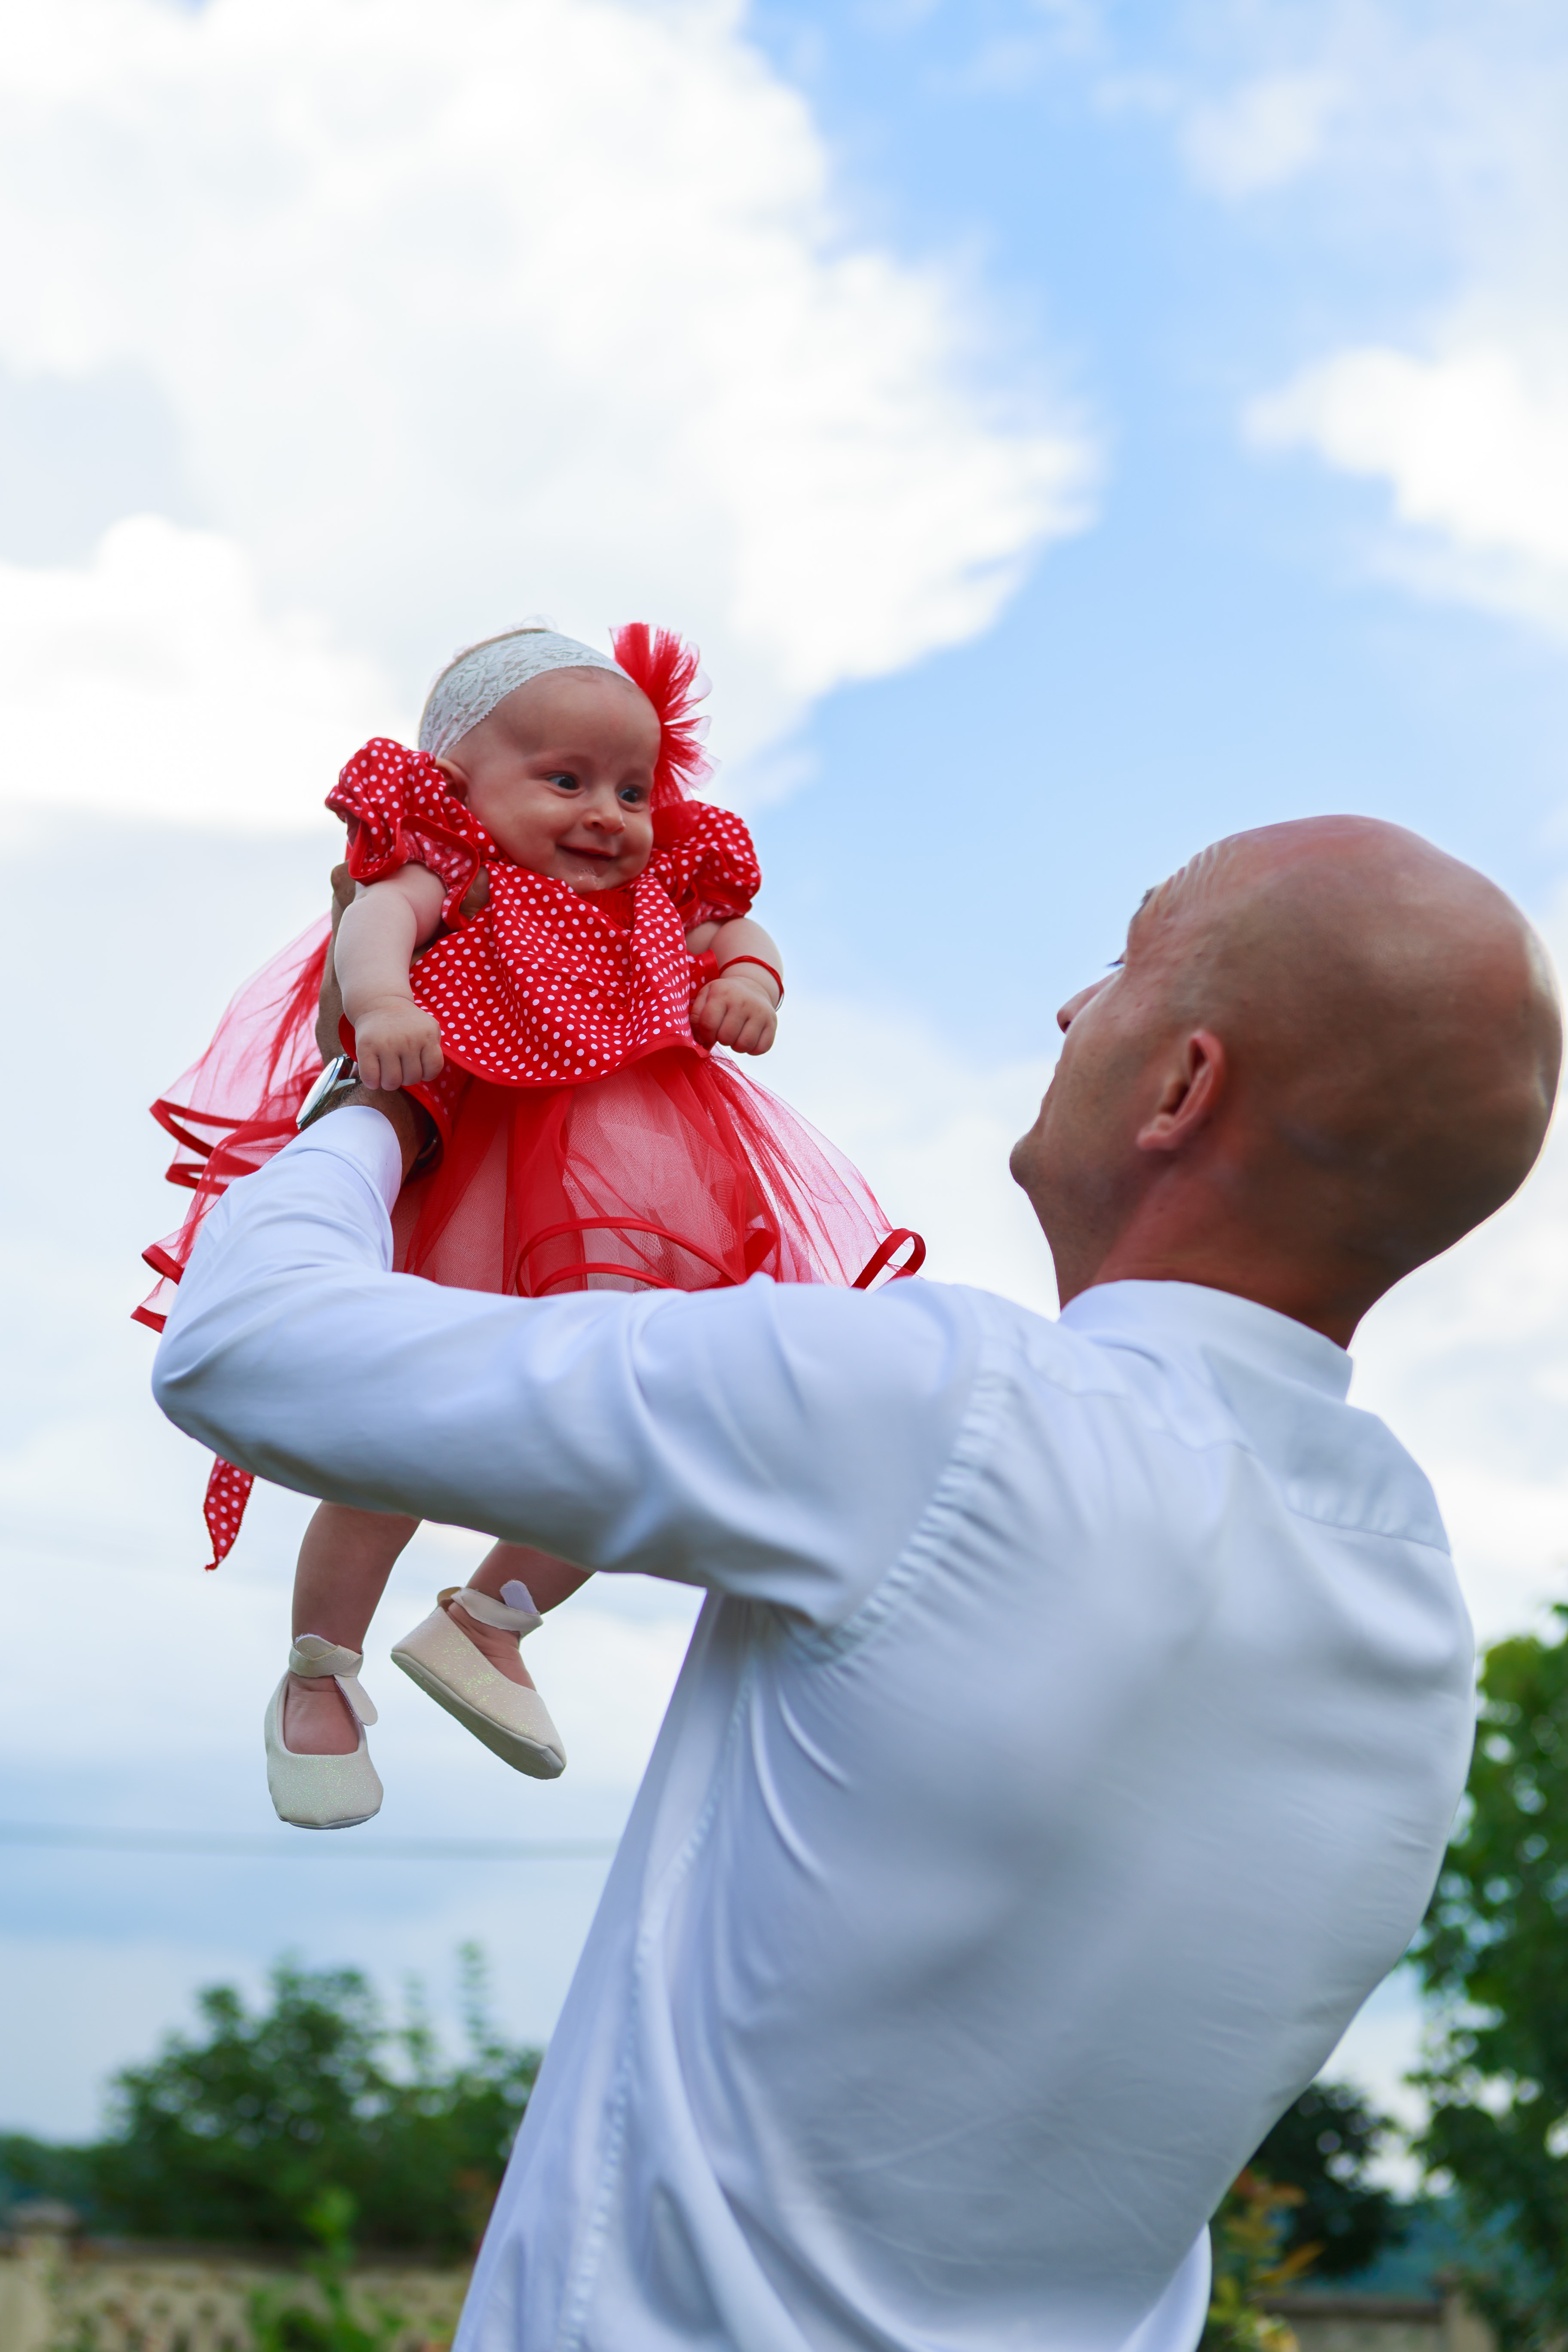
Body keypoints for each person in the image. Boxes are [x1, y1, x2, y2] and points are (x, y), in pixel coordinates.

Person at [152, 815, 1561, 2352]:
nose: (1072, 1011)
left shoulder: (948, 1407)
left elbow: (252, 1350)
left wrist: (389, 1089)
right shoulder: (1416, 1610)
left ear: (1183, 1086)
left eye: (1125, 967)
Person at [136, 622, 918, 1833]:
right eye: (565, 781)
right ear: (460, 789)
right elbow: (371, 927)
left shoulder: (664, 891)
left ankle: (488, 1623)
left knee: (644, 1403)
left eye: (632, 788)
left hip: (633, 1174)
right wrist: (387, 1000)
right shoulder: (458, 867)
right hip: (473, 1148)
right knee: (392, 1438)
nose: (608, 813)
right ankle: (318, 1676)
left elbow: (741, 935)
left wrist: (749, 982)